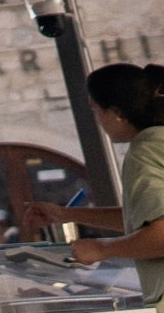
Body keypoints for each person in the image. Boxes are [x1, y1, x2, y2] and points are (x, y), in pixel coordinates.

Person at [26, 63, 164, 297]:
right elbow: (143, 218)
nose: (98, 121)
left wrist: (101, 249)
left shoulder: (144, 152)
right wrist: (65, 214)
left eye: (96, 111)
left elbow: (160, 235)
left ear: (117, 113)